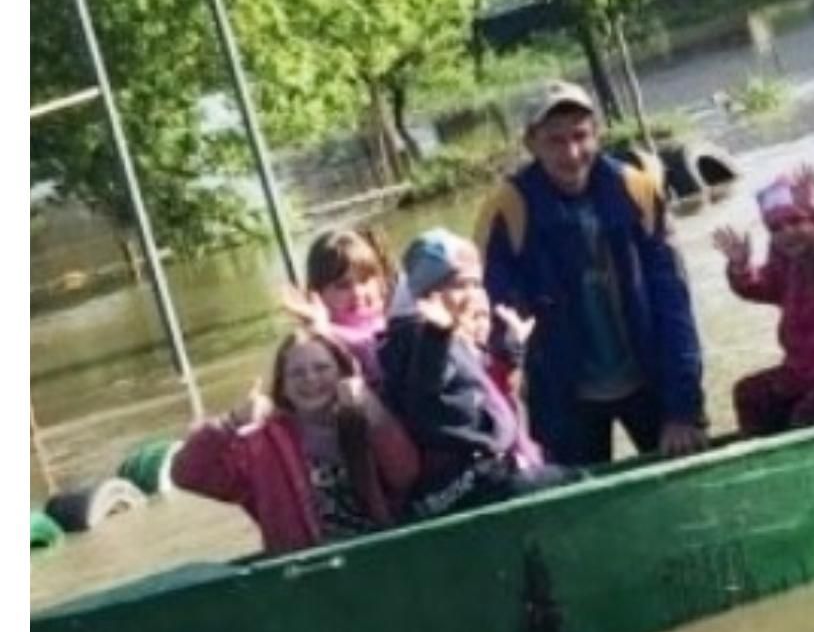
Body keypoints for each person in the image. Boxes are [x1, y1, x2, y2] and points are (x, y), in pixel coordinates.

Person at [478, 81, 708, 464]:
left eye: (580, 136)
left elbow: (674, 305)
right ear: (531, 144)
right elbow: (493, 317)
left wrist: (683, 409)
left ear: (597, 134)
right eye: (555, 141)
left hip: (647, 379)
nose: (571, 153)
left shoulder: (636, 189)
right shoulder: (507, 210)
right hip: (565, 398)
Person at [171, 326, 420, 555]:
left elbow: (405, 474)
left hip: (379, 555)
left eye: (322, 368)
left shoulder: (367, 419)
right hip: (304, 574)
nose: (310, 380)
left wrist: (374, 412)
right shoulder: (260, 445)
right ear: (283, 386)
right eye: (297, 374)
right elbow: (187, 475)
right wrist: (231, 421)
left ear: (343, 373)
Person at [378, 230, 560, 518]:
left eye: (476, 284)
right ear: (428, 293)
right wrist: (437, 335)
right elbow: (424, 391)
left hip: (485, 469)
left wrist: (512, 350)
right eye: (459, 285)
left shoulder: (452, 337)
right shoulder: (416, 337)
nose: (472, 295)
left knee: (569, 479)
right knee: (568, 487)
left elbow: (487, 394)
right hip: (457, 482)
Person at [716, 173, 814, 436]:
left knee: (804, 415)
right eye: (775, 228)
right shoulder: (786, 262)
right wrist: (740, 267)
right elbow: (760, 286)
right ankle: (754, 457)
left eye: (796, 221)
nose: (787, 232)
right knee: (749, 394)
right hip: (801, 370)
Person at [293, 226, 395, 383]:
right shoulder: (320, 340)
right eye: (342, 285)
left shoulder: (396, 317)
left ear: (380, 280)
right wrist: (322, 329)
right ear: (318, 294)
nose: (357, 292)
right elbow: (364, 348)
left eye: (364, 280)